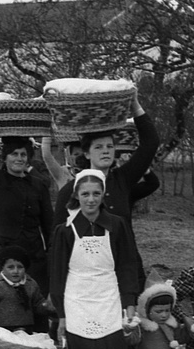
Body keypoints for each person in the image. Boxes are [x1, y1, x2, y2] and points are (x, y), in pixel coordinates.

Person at [49, 169, 140, 349]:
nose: (90, 200)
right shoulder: (65, 230)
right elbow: (57, 275)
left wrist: (130, 304)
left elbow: (127, 266)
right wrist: (62, 314)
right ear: (76, 195)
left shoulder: (117, 225)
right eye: (85, 194)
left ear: (104, 196)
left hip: (108, 300)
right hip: (77, 301)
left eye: (96, 194)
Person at [52, 92, 159, 288]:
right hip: (89, 274)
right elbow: (59, 239)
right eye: (99, 147)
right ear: (86, 152)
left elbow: (150, 143)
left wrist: (135, 105)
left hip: (126, 267)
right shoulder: (72, 189)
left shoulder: (122, 179)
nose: (106, 151)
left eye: (110, 146)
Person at [0, 119, 54, 293]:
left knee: (35, 308)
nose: (19, 158)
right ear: (5, 158)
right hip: (3, 257)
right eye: (14, 154)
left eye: (23, 155)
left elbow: (49, 228)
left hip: (34, 259)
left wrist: (51, 260)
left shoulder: (38, 186)